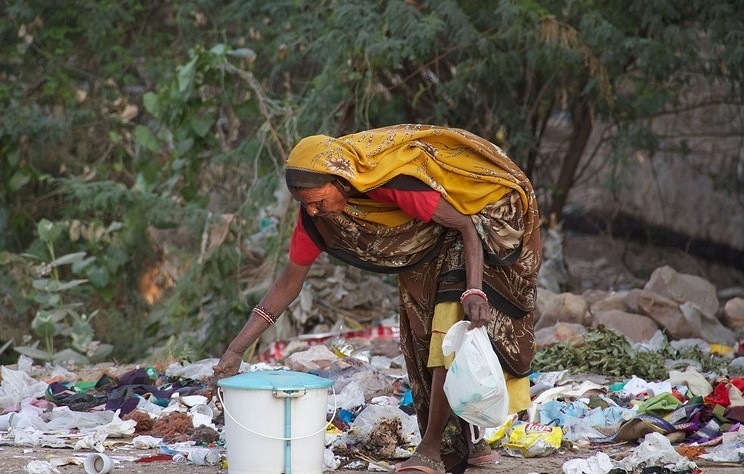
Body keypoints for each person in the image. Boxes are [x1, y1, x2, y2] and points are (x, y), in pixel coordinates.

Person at [212, 124, 541, 474]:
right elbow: (287, 285)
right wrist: (235, 350)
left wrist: (474, 289)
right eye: (304, 205)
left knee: (448, 333)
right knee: (423, 338)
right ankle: (469, 442)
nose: (312, 211)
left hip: (475, 230)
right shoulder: (316, 222)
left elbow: (466, 226)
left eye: (317, 201)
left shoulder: (396, 183)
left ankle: (430, 450)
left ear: (341, 180)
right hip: (429, 246)